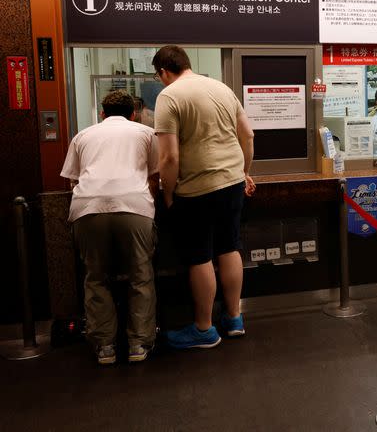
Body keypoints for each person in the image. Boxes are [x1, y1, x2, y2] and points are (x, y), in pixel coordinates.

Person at [153, 45, 256, 350]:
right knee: (229, 247)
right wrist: (244, 171)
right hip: (232, 182)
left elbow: (169, 158)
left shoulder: (169, 96)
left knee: (200, 256)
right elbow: (247, 135)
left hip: (197, 188)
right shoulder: (221, 88)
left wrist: (169, 192)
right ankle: (235, 318)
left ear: (163, 72)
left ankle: (203, 329)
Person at [60, 90, 159, 364]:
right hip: (134, 206)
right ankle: (138, 344)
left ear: (101, 113)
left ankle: (104, 346)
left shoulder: (83, 135)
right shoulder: (145, 133)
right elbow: (155, 175)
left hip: (88, 208)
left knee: (96, 277)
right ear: (134, 113)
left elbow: (72, 179)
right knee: (140, 275)